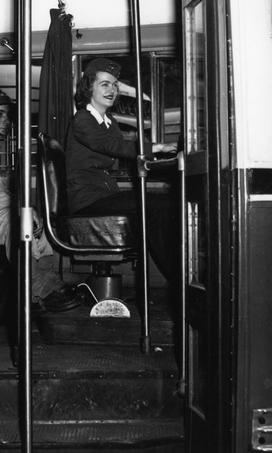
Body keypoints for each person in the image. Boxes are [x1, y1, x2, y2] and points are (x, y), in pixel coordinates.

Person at [64, 57, 181, 357]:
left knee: (160, 203)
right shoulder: (82, 120)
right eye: (105, 84)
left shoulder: (109, 122)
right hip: (88, 202)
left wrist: (156, 154)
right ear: (88, 88)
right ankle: (178, 280)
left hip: (101, 196)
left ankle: (179, 275)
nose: (112, 89)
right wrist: (155, 148)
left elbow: (125, 148)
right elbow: (115, 148)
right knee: (156, 207)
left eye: (115, 85)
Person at [0, 89, 83, 312]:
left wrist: (27, 209)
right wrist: (21, 210)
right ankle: (36, 293)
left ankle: (51, 282)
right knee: (17, 221)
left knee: (32, 215)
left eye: (7, 115)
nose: (6, 121)